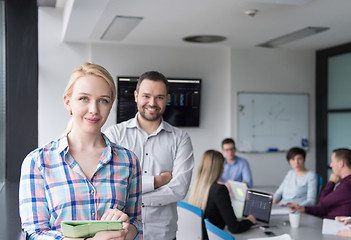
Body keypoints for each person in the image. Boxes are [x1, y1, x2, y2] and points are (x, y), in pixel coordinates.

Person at [19, 62, 142, 240]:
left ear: (111, 105)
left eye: (103, 100)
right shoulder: (37, 162)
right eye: (84, 98)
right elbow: (33, 233)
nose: (94, 110)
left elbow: (137, 223)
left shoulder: (128, 161)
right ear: (68, 102)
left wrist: (127, 230)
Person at [104, 71, 194, 240]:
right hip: (122, 235)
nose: (152, 103)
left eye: (159, 97)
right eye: (146, 96)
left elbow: (179, 189)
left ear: (167, 98)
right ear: (136, 96)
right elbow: (110, 187)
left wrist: (132, 197)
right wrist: (157, 182)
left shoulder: (180, 139)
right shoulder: (114, 135)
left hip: (163, 235)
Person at [188, 150, 256, 240]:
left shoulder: (197, 187)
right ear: (219, 168)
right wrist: (249, 220)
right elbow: (234, 227)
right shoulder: (219, 190)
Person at [287, 148, 351, 219]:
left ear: (341, 164)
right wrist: (303, 208)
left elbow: (322, 204)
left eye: (332, 161)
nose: (331, 165)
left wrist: (331, 183)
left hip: (333, 226)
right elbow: (325, 208)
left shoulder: (348, 186)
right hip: (329, 222)